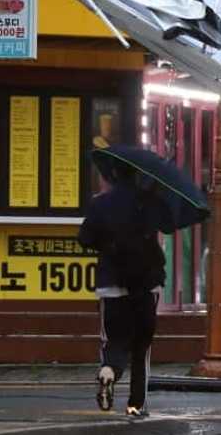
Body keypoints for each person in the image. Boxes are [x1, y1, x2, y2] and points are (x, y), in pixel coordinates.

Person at [77, 161, 170, 418]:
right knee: (141, 348)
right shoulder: (148, 203)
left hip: (111, 285)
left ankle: (108, 372)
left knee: (114, 342)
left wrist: (107, 244)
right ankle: (136, 405)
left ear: (113, 176)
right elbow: (164, 226)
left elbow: (84, 238)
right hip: (145, 285)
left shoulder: (100, 203)